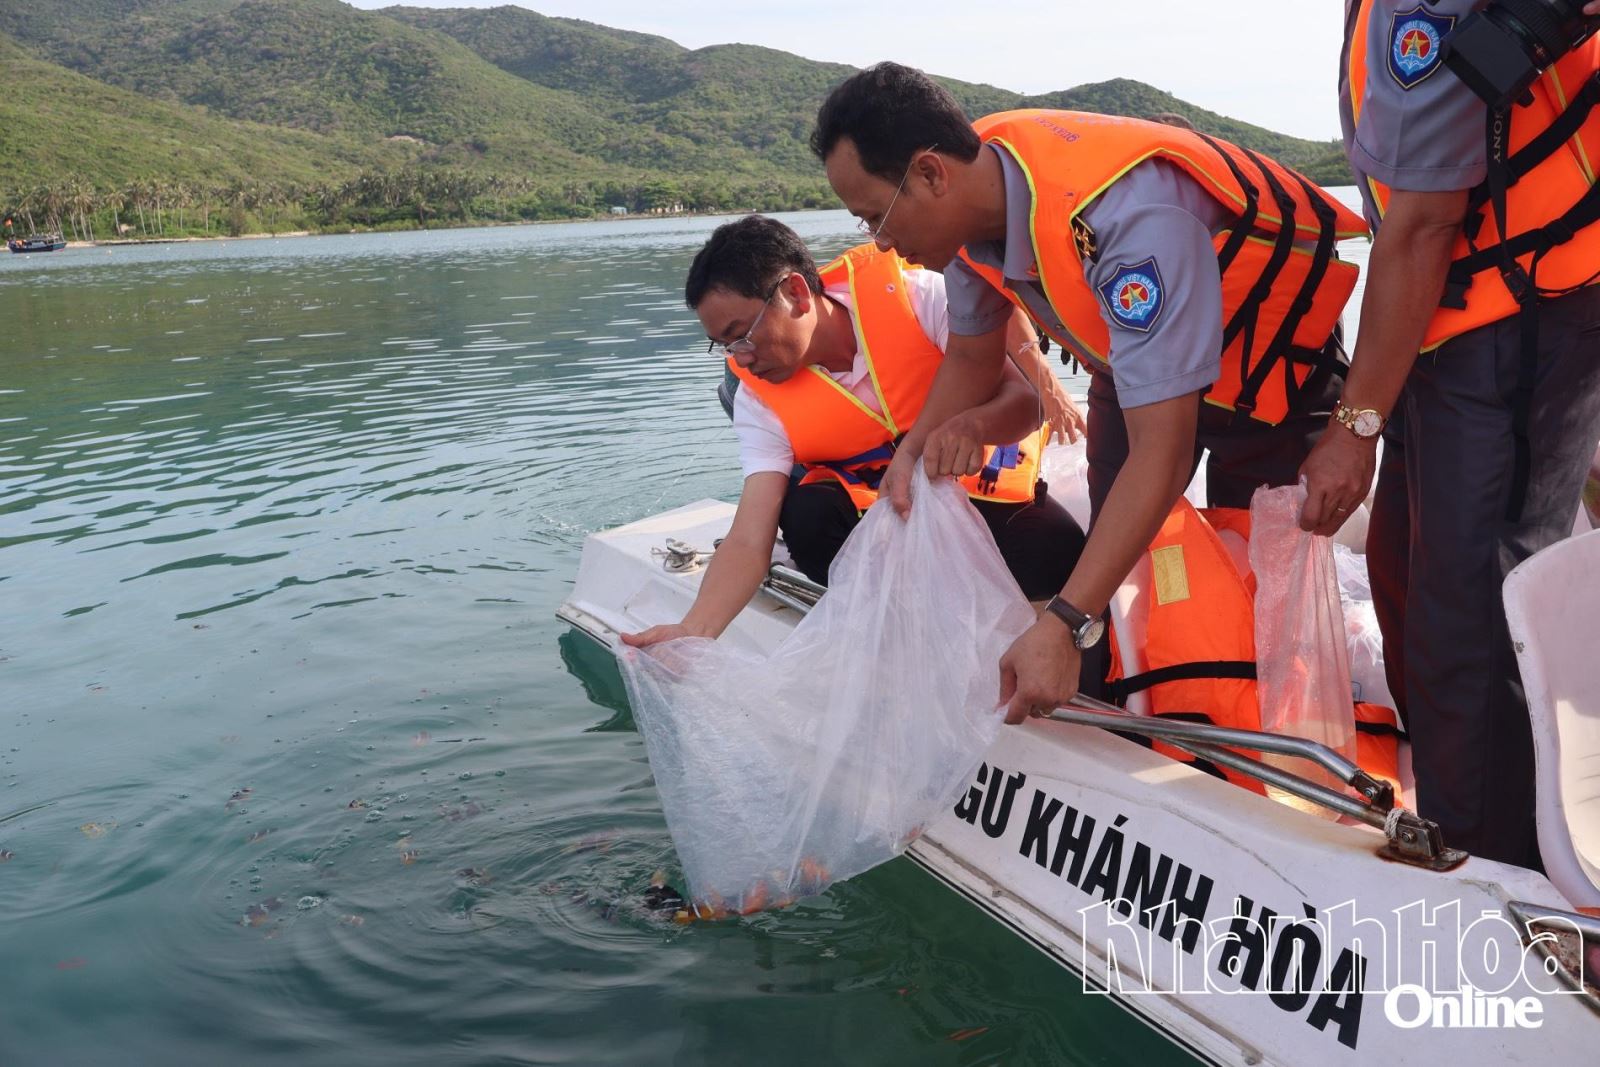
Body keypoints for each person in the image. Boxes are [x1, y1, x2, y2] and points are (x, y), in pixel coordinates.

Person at [810, 62, 1368, 724]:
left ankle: (1269, 730)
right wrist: (911, 450)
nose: (879, 242)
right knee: (1116, 551)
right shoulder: (967, 215)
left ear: (931, 174)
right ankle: (1141, 695)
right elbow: (969, 354)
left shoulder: (1127, 222)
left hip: (1268, 378)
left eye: (876, 216)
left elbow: (1162, 454)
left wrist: (1065, 620)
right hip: (1134, 366)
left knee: (1264, 575)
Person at [1298, 0, 1600, 866]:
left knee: (1469, 616)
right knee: (1400, 575)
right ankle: (1451, 800)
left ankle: (1494, 867)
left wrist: (1355, 425)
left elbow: (1424, 225)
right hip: (1445, 328)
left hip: (1514, 322)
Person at [623, 215, 1087, 648]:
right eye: (725, 346)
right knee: (807, 516)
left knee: (1056, 545)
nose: (741, 358)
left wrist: (973, 425)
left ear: (796, 293)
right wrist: (694, 631)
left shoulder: (921, 299)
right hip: (879, 514)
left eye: (742, 334)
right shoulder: (758, 400)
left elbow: (1025, 401)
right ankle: (903, 639)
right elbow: (749, 536)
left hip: (971, 484)